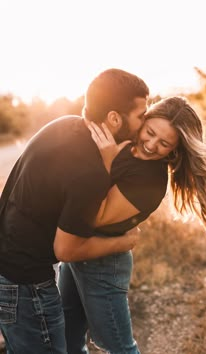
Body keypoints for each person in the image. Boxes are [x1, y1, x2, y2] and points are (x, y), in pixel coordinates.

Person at [59, 96, 206, 354]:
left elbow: (93, 216)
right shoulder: (126, 142)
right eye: (149, 133)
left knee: (118, 345)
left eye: (164, 144)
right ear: (143, 120)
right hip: (79, 249)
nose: (150, 145)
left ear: (175, 150)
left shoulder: (150, 182)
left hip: (104, 262)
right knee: (68, 333)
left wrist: (106, 159)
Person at [0, 68, 150, 354]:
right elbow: (66, 250)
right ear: (114, 118)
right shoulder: (89, 172)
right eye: (142, 114)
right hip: (26, 285)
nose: (146, 120)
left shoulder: (64, 124)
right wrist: (124, 242)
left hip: (8, 273)